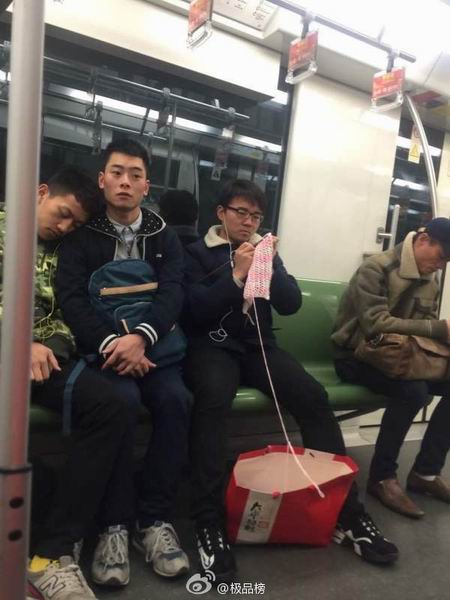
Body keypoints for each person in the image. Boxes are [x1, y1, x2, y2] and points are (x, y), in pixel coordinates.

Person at [182, 179, 399, 583]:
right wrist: (236, 275)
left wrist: (269, 265)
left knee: (312, 396)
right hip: (212, 347)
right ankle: (208, 520)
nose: (248, 222)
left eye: (256, 216)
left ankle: (346, 511)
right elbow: (193, 311)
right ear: (221, 213)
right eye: (241, 212)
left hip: (258, 348)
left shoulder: (265, 251)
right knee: (212, 398)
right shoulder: (195, 252)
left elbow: (290, 303)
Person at [56, 139, 192, 581]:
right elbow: (73, 299)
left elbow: (172, 291)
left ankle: (153, 519)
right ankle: (113, 524)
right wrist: (115, 344)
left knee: (175, 401)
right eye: (116, 173)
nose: (125, 182)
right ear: (102, 180)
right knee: (122, 403)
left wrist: (141, 339)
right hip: (105, 352)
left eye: (135, 175)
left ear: (146, 186)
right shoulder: (82, 235)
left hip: (153, 351)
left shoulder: (163, 234)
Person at [1, 168, 136, 599]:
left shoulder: (65, 251)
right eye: (62, 214)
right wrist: (19, 342)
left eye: (74, 224)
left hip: (44, 360)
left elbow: (67, 311)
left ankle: (52, 554)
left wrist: (48, 345)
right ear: (41, 192)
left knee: (112, 404)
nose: (64, 227)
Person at [332, 218, 450, 518]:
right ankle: (382, 477)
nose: (439, 266)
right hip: (356, 355)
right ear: (422, 240)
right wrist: (439, 328)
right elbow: (375, 324)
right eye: (440, 257)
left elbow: (423, 330)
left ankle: (425, 472)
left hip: (400, 356)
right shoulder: (376, 268)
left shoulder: (431, 279)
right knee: (414, 391)